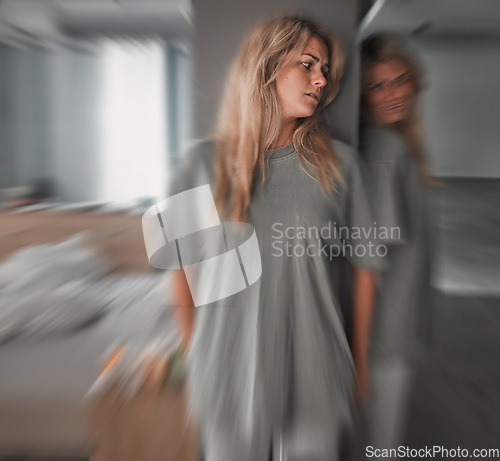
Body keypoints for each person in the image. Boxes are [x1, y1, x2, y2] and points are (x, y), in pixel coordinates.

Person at [169, 16, 378, 461]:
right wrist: (195, 357)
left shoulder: (342, 166)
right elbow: (178, 269)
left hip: (316, 369)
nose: (321, 78)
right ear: (266, 67)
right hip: (227, 371)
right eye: (308, 64)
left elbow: (366, 268)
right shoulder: (198, 162)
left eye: (324, 68)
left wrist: (358, 365)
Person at [359, 34, 437, 453]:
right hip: (386, 334)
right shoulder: (386, 149)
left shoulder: (398, 144)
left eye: (400, 80)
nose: (392, 94)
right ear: (362, 95)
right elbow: (372, 261)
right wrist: (364, 351)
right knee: (383, 446)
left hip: (393, 326)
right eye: (377, 85)